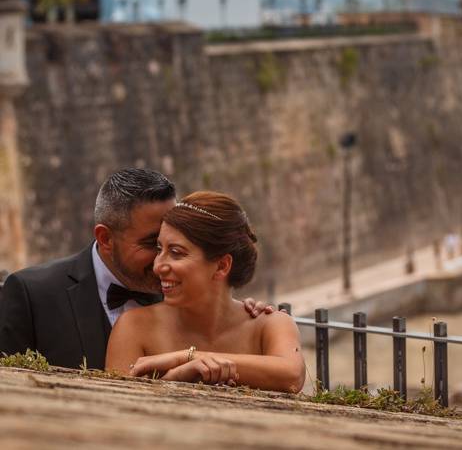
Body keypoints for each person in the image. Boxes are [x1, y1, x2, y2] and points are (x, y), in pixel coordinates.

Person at [0, 168, 272, 370]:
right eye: (153, 243)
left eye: (173, 244)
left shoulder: (180, 287)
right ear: (106, 239)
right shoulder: (32, 294)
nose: (161, 262)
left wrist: (239, 311)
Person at [106, 191, 305, 392]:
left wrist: (189, 356)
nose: (158, 266)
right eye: (159, 249)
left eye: (176, 253)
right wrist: (178, 376)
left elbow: (292, 377)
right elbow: (117, 405)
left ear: (221, 266)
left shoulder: (269, 324)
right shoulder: (134, 326)